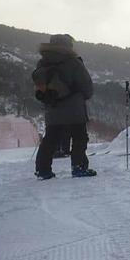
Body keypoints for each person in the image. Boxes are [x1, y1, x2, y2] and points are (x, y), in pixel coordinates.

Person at [32, 34, 96, 178]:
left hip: (52, 107)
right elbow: (86, 86)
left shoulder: (42, 63)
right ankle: (79, 167)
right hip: (74, 108)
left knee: (51, 138)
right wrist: (83, 96)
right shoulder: (73, 62)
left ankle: (42, 169)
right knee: (79, 137)